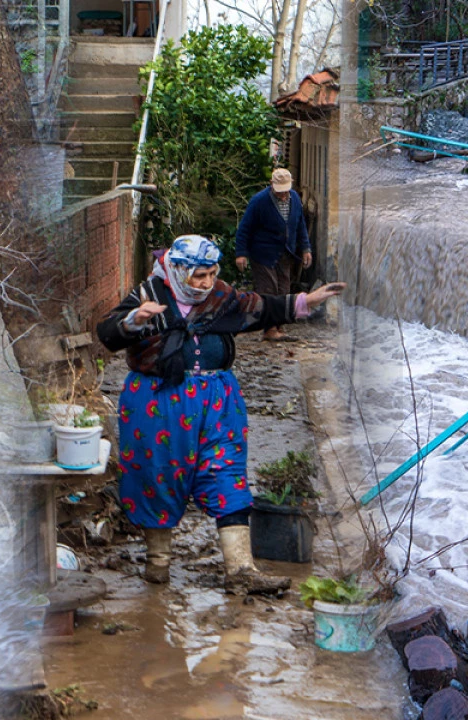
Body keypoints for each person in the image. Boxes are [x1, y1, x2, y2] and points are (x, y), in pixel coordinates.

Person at [96, 235, 345, 594]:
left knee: (226, 470)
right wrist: (135, 320)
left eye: (212, 274)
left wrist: (307, 301)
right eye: (198, 276)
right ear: (178, 271)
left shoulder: (222, 296)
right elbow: (108, 332)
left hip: (217, 401)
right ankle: (158, 564)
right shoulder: (148, 291)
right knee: (157, 474)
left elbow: (261, 307)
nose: (206, 283)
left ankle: (241, 569)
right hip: (157, 403)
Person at [235, 168, 312, 341]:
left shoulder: (295, 199)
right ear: (272, 185)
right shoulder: (259, 201)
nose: (284, 196)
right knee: (268, 290)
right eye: (280, 192)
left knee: (284, 289)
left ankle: (278, 326)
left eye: (286, 191)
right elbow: (244, 229)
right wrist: (241, 253)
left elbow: (300, 226)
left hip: (285, 252)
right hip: (263, 253)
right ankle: (269, 329)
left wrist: (306, 249)